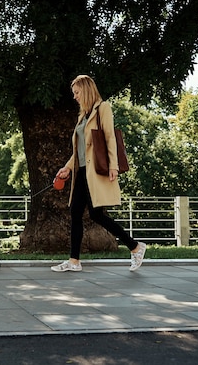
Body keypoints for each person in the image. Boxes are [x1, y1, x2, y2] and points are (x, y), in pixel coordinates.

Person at [51, 75, 146, 273]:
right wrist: (67, 167)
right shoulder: (82, 116)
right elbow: (80, 151)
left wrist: (114, 166)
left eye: (77, 93)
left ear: (85, 90)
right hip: (81, 171)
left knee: (95, 215)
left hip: (95, 171)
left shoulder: (102, 108)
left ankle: (135, 247)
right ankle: (74, 261)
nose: (75, 97)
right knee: (79, 212)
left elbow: (110, 137)